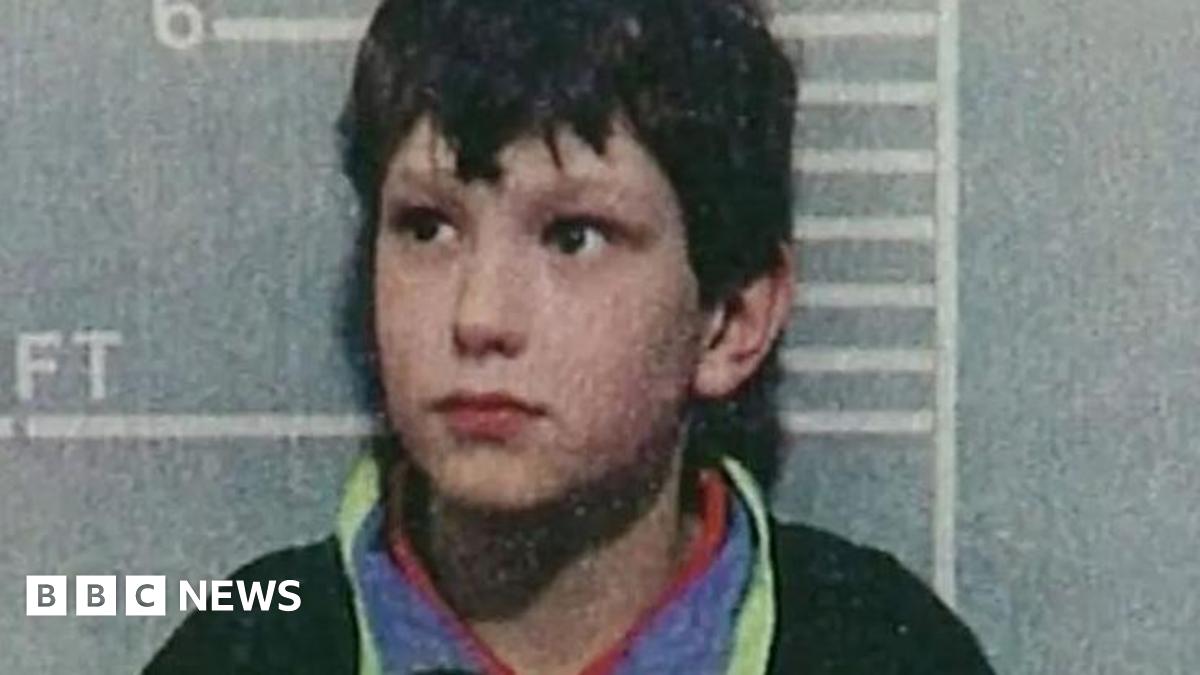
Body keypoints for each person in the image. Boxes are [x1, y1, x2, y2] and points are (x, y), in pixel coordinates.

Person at [145, 0, 995, 672]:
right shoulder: (248, 647)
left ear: (730, 321)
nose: (479, 315)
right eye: (428, 228)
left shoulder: (883, 650)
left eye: (573, 236)